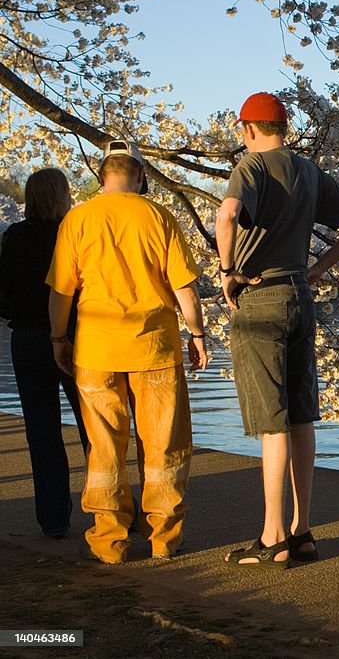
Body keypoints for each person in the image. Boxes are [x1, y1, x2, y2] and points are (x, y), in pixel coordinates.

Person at [217, 92, 339, 569]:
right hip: (299, 296)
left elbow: (227, 215)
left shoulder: (251, 168)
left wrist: (227, 270)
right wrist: (320, 268)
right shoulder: (307, 170)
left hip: (260, 295)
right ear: (283, 128)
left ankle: (271, 537)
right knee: (301, 416)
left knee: (272, 422)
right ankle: (302, 530)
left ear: (247, 129)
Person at [47, 140, 209, 564]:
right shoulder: (158, 216)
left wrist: (58, 339)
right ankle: (163, 539)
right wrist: (198, 334)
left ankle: (110, 542)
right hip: (155, 347)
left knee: (103, 449)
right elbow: (184, 289)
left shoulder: (77, 219)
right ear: (139, 176)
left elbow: (61, 292)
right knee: (164, 447)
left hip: (96, 349)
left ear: (103, 175)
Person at [0, 168, 88, 539]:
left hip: (27, 339)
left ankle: (53, 517)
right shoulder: (72, 235)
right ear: (63, 196)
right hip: (73, 336)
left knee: (42, 430)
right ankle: (112, 508)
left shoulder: (15, 237)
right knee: (93, 427)